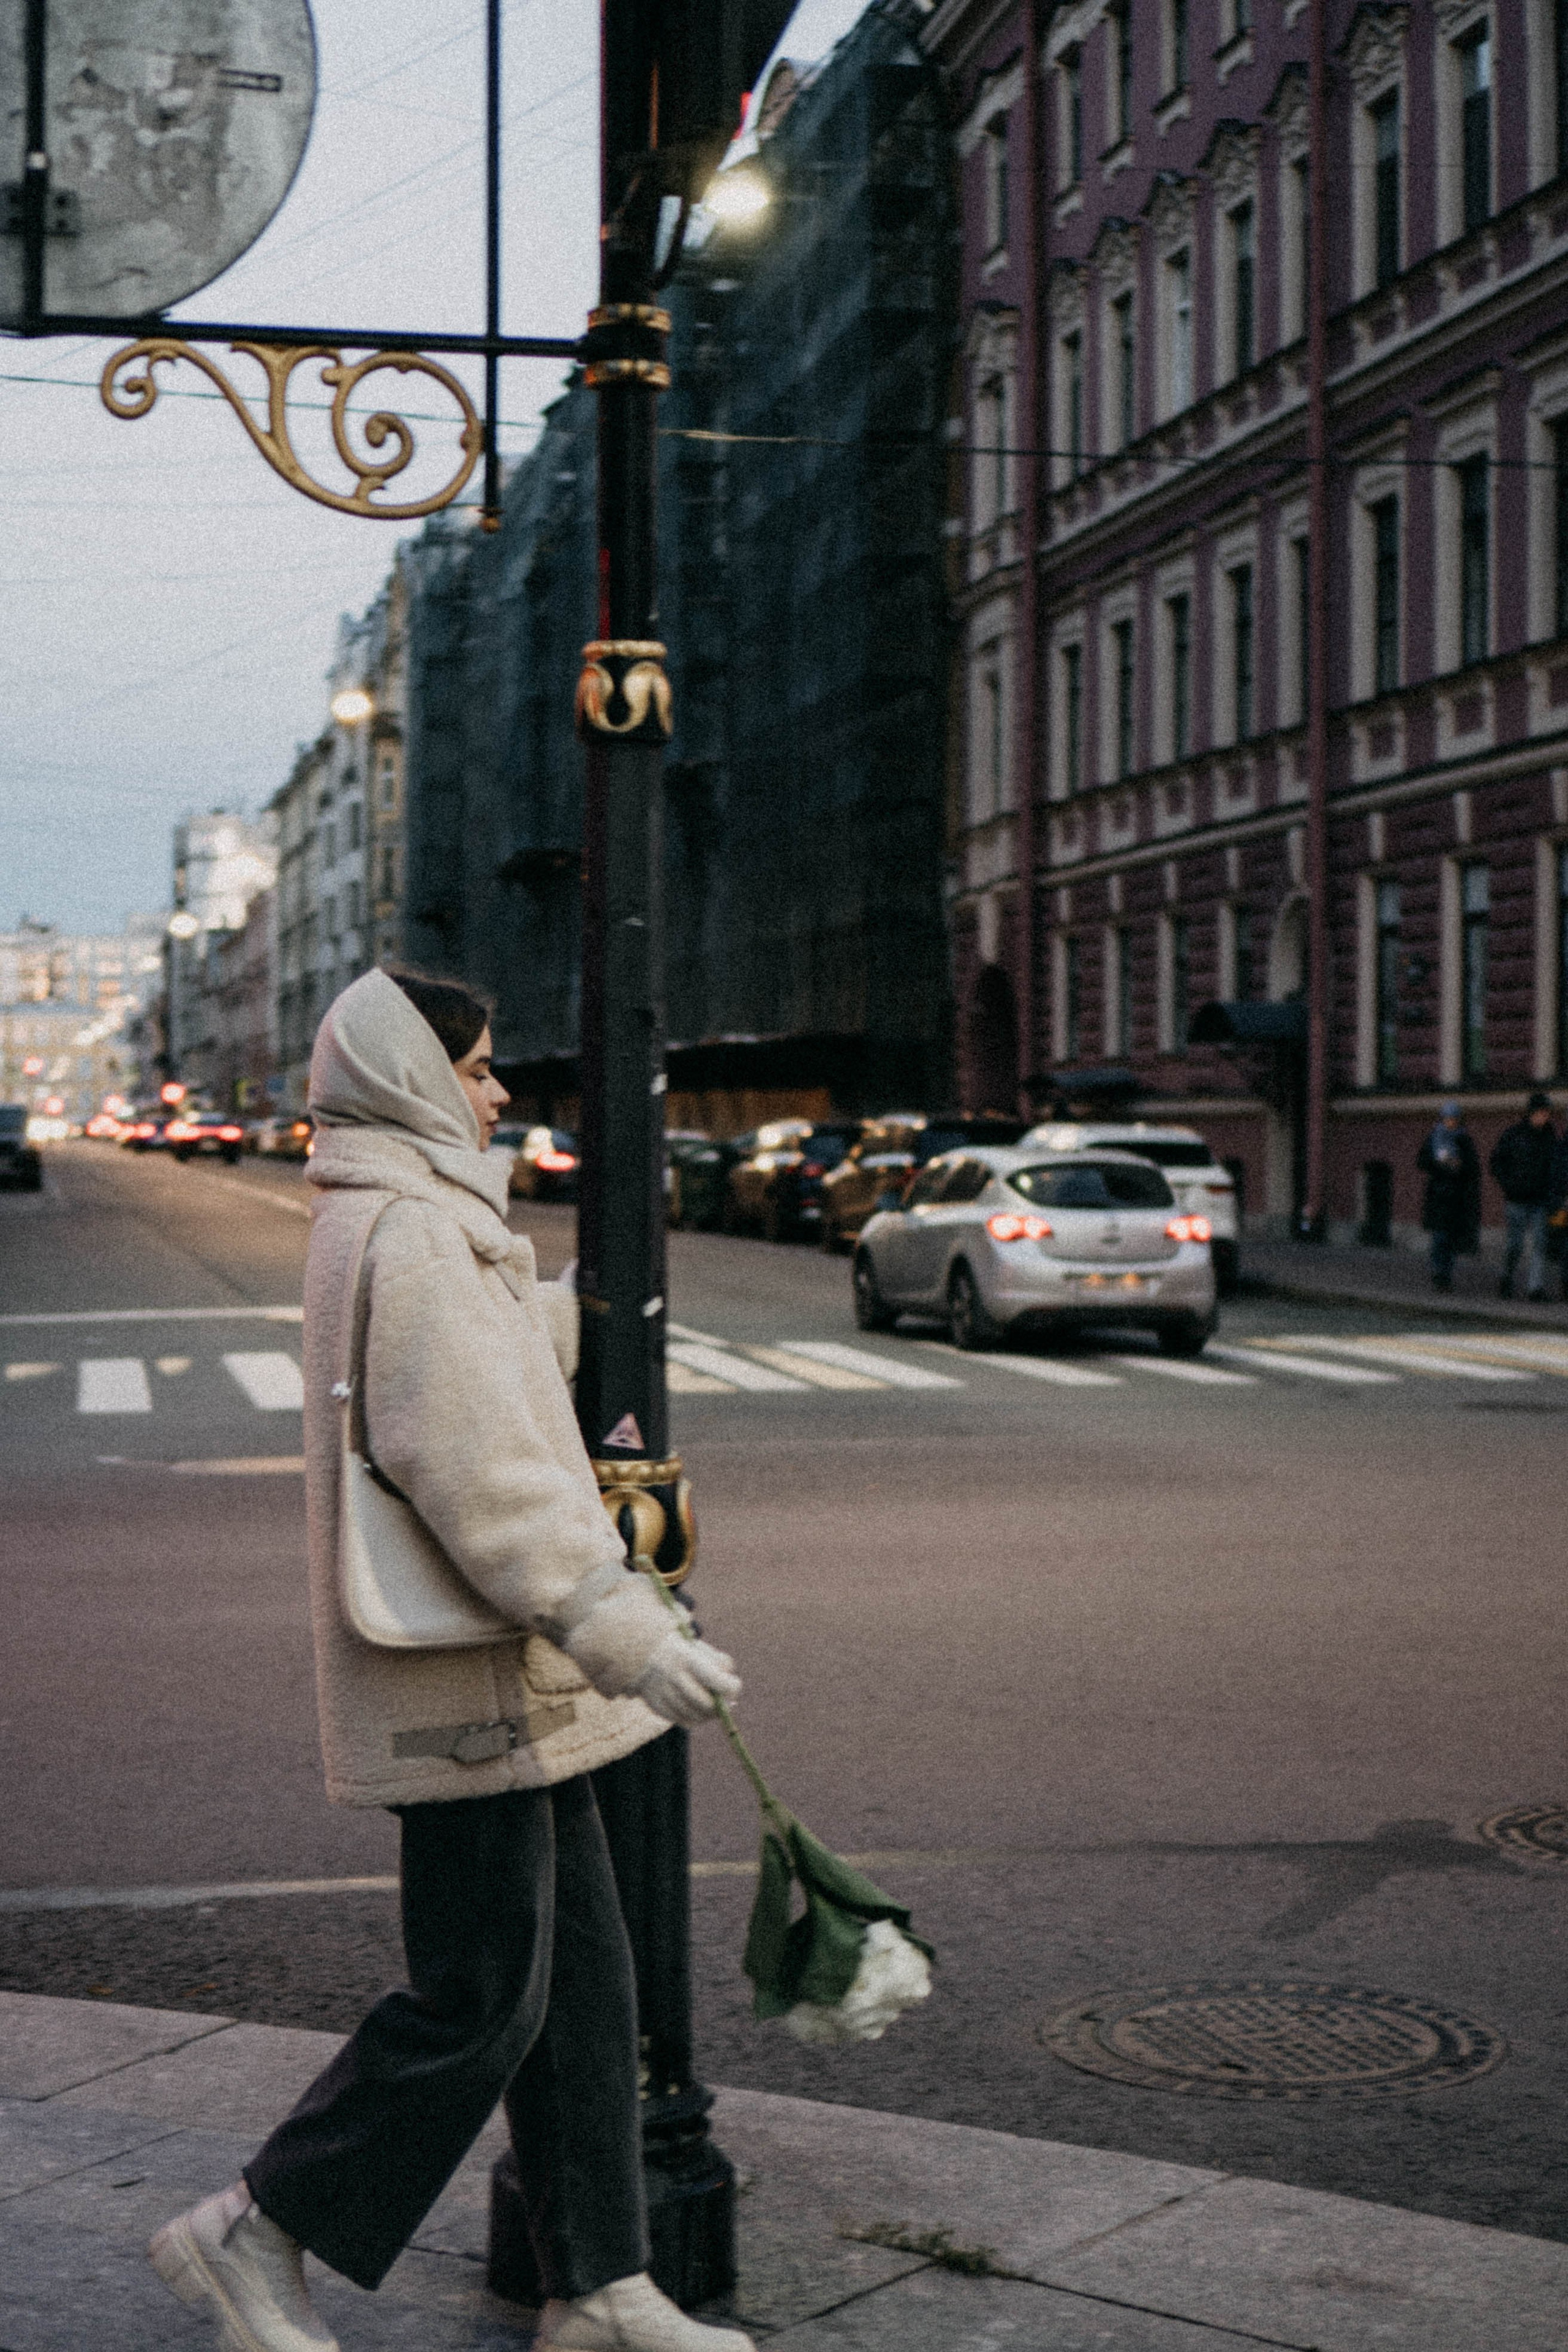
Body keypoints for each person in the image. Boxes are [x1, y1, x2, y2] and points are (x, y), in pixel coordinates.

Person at [147, 967, 752, 2352]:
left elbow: (466, 1403)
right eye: (471, 1066)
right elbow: (473, 1468)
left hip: (493, 1667)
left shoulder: (416, 1218)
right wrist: (624, 1630)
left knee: (584, 1988)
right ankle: (253, 2232)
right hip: (464, 1675)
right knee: (482, 1996)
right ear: (414, 1076)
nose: (492, 1090)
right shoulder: (417, 1231)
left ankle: (599, 2283)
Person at [1488, 1089, 1558, 1301]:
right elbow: (1496, 1162)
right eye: (1542, 1112)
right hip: (1517, 1199)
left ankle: (1535, 1288)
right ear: (1531, 1113)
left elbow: (1554, 1167)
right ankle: (1507, 1277)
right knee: (1515, 1244)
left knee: (1540, 1243)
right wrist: (1509, 1185)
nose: (1545, 1117)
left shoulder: (1550, 1137)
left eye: (1547, 1113)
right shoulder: (1514, 1134)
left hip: (1539, 1200)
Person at [1416, 1101, 1480, 1292]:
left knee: (1451, 1238)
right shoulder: (1433, 1138)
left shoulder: (1465, 1140)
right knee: (1440, 1237)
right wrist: (1439, 1163)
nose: (1450, 1122)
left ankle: (1446, 1274)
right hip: (1438, 1195)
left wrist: (1460, 1164)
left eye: (1453, 1119)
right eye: (1447, 1119)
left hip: (1457, 1197)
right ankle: (1438, 1271)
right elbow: (1422, 1161)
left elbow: (1473, 1168)